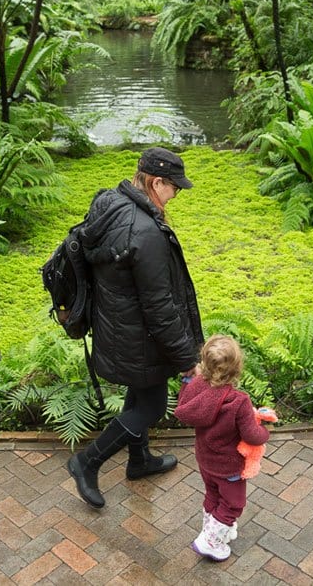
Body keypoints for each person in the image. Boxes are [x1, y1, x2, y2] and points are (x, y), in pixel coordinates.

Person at [66, 146, 204, 509]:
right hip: (140, 335)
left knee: (140, 393)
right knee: (152, 406)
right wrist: (187, 358)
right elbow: (159, 307)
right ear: (157, 183)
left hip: (119, 327)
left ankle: (139, 460)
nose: (176, 195)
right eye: (175, 187)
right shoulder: (145, 232)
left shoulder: (112, 204)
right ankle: (86, 462)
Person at [174, 334, 273, 562]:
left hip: (205, 460)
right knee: (233, 504)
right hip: (229, 467)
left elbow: (185, 406)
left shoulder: (196, 386)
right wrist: (265, 431)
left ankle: (214, 529)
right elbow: (251, 435)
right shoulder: (239, 401)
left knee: (213, 494)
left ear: (204, 362)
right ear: (237, 369)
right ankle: (210, 541)